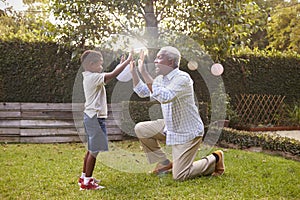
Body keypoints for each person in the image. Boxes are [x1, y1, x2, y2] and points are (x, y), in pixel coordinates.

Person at [129, 47, 225, 181]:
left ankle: (215, 159)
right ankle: (164, 163)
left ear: (170, 61)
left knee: (180, 176)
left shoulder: (183, 78)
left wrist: (144, 72)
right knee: (141, 129)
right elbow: (142, 91)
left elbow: (165, 96)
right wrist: (133, 71)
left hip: (187, 133)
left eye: (159, 57)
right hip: (170, 127)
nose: (155, 61)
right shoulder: (161, 79)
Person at [78, 50, 132, 190]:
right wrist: (127, 62)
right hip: (95, 118)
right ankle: (87, 183)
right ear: (91, 64)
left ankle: (84, 177)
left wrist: (120, 66)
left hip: (92, 117)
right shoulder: (92, 78)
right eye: (100, 65)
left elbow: (109, 77)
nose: (102, 67)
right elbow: (112, 75)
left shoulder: (92, 76)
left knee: (91, 149)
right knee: (94, 150)